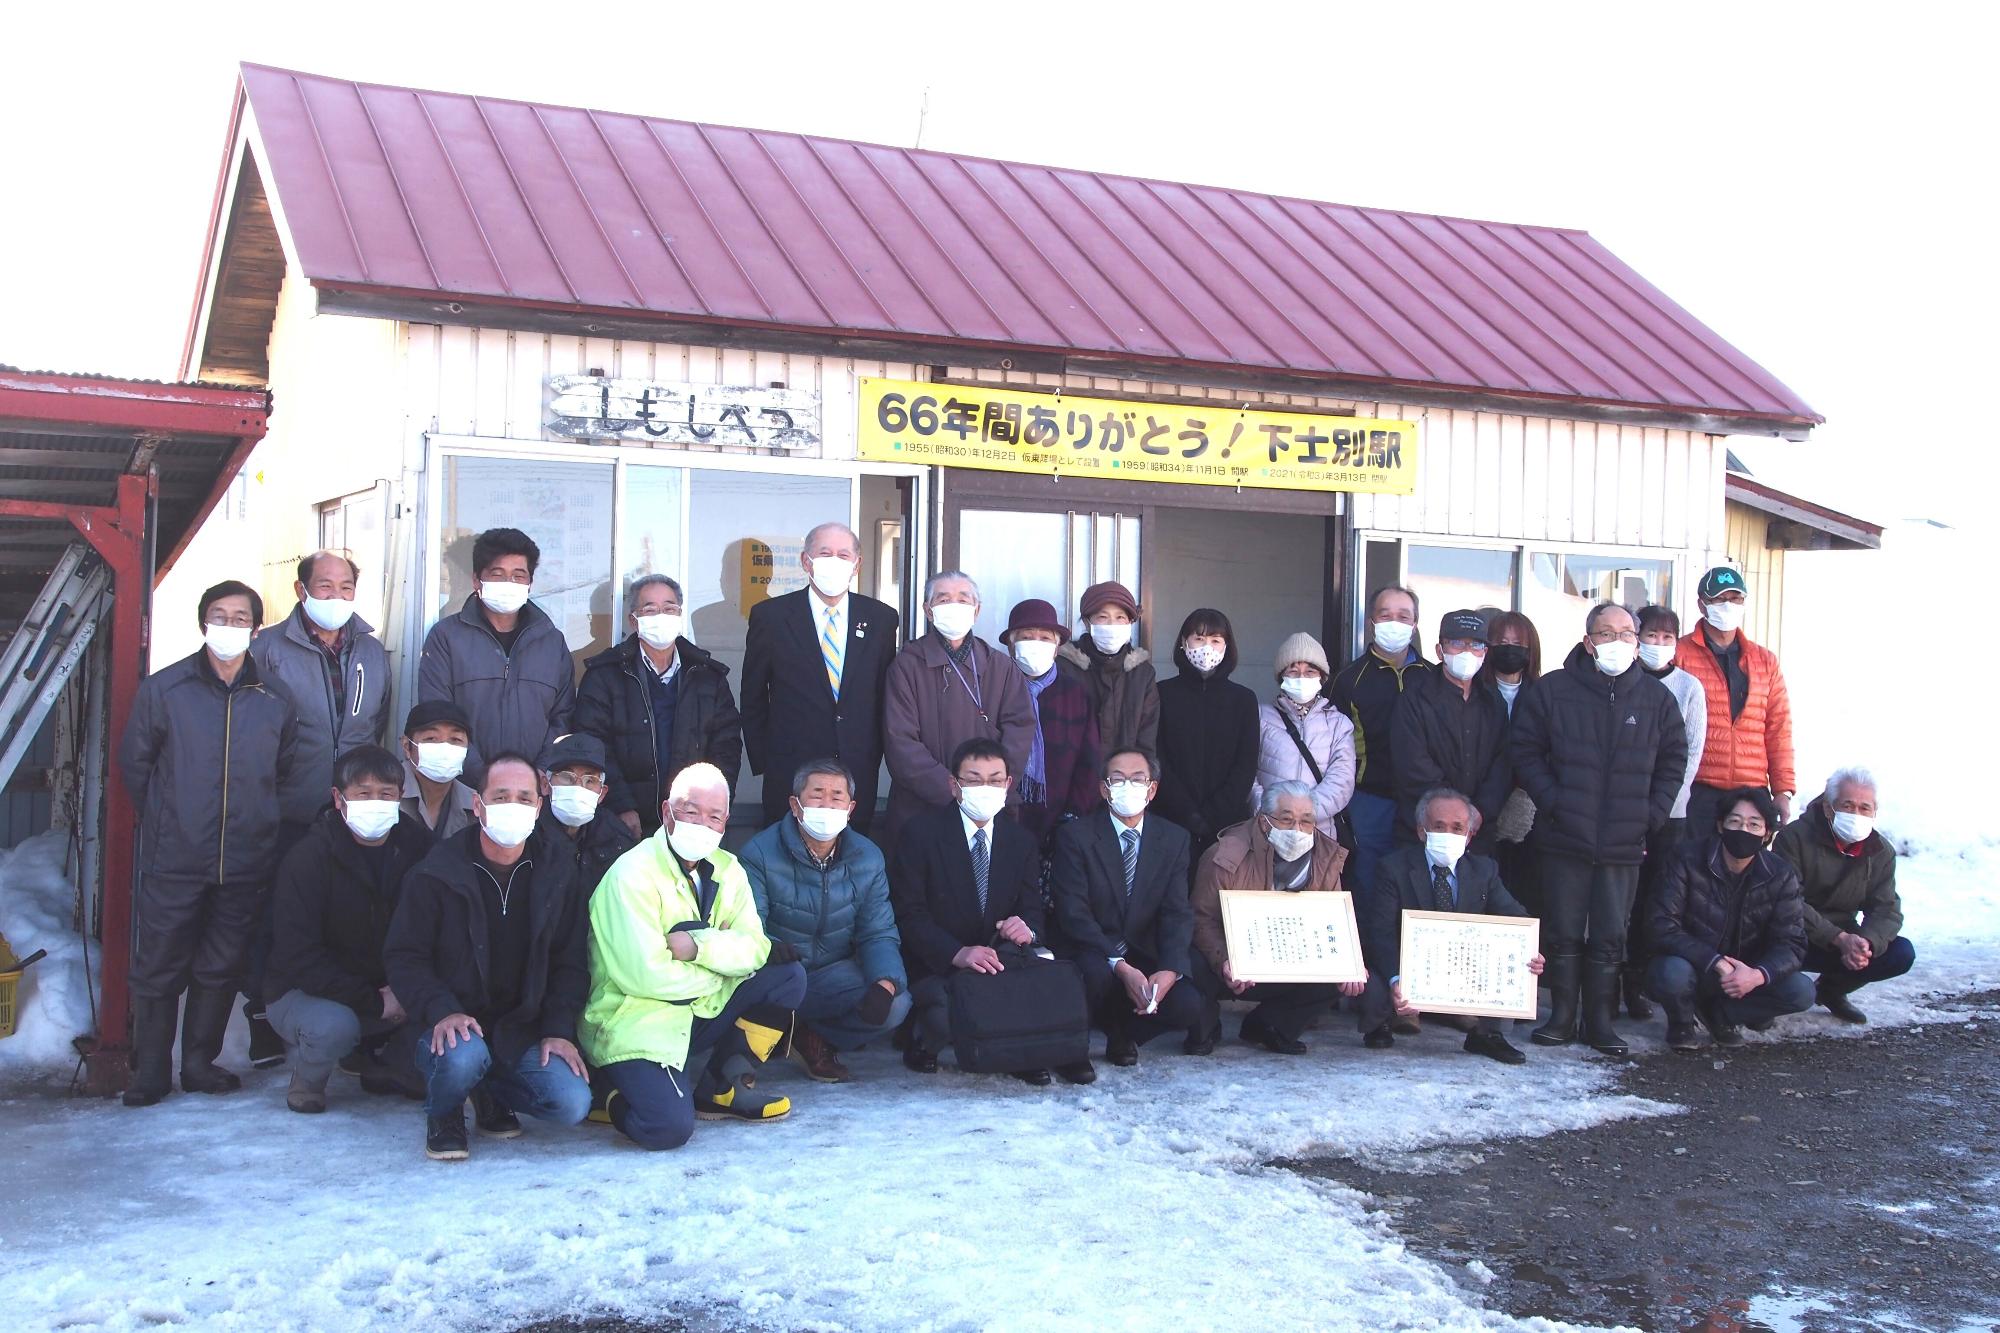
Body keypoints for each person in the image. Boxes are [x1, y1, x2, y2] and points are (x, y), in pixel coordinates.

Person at [117, 580, 299, 1107]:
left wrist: (257, 820)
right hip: (175, 856)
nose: (229, 625)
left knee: (220, 963)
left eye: (240, 617)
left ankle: (199, 1063)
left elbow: (282, 771)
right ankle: (150, 1071)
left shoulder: (275, 698)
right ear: (203, 623)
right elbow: (136, 764)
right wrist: (168, 821)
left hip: (244, 858)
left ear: (256, 629)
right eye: (219, 615)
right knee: (158, 965)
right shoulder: (166, 689)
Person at [581, 763, 808, 1149]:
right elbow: (646, 976)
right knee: (667, 1129)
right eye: (691, 812)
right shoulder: (631, 874)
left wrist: (698, 947)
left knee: (787, 976)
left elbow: (756, 947)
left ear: (725, 823)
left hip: (696, 1006)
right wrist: (722, 970)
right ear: (667, 812)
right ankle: (609, 1093)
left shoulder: (728, 869)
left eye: (714, 816)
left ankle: (722, 1084)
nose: (703, 824)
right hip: (636, 1020)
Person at [383, 752, 593, 1161]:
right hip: (450, 1023)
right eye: (500, 797)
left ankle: (489, 1090)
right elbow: (405, 956)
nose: (512, 807)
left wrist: (558, 1029)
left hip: (519, 1029)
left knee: (571, 1103)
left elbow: (571, 960)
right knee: (463, 1058)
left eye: (523, 798)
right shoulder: (438, 871)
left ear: (539, 805)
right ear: (478, 805)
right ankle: (444, 1112)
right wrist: (442, 1010)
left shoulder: (558, 871)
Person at [1509, 602, 1688, 1056]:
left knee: (1611, 934)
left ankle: (1601, 1022)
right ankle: (1563, 1016)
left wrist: (1652, 815)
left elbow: (1673, 761)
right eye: (1606, 634)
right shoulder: (1553, 691)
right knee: (1563, 931)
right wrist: (1553, 801)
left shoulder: (1656, 699)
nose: (1618, 642)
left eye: (1627, 634)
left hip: (1625, 840)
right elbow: (1526, 750)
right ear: (1589, 642)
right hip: (1564, 833)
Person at [244, 551, 394, 1065]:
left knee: (344, 913)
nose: (336, 596)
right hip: (285, 803)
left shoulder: (372, 654)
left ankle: (348, 1016)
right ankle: (262, 1013)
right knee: (273, 913)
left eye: (346, 586)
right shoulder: (266, 649)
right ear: (301, 589)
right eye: (324, 586)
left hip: (348, 810)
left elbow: (375, 726)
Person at [265, 745, 432, 1114]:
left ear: (400, 796)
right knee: (334, 1027)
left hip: (392, 986)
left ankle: (385, 1066)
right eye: (363, 794)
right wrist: (375, 1001)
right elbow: (299, 957)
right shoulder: (308, 858)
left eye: (386, 794)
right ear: (339, 799)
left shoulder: (418, 847)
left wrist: (406, 989)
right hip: (304, 990)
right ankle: (307, 1083)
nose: (376, 802)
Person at [890, 739, 1056, 1083]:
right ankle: (926, 1040)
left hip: (998, 962)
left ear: (1008, 785)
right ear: (954, 785)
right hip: (939, 964)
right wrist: (957, 953)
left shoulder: (1020, 840)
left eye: (995, 780)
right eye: (974, 779)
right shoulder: (921, 834)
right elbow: (909, 913)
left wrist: (1026, 929)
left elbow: (1032, 910)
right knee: (944, 1015)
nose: (986, 788)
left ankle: (1017, 1051)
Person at [1049, 749, 1216, 1080]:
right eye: (1118, 779)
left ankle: (1124, 1035)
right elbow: (1074, 912)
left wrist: (1170, 970)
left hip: (1143, 948)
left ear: (1152, 789)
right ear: (1103, 789)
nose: (1128, 786)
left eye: (1137, 779)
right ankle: (1072, 1050)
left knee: (1186, 1002)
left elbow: (1176, 911)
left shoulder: (1173, 838)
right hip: (1094, 949)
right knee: (1093, 972)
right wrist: (1120, 966)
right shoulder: (1076, 836)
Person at [739, 759, 911, 1082]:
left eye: (837, 796)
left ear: (851, 807)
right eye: (817, 794)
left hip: (832, 975)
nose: (827, 803)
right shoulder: (759, 853)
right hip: (779, 974)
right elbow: (749, 926)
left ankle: (810, 1037)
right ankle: (757, 1045)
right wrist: (770, 950)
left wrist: (885, 983)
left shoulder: (868, 857)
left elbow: (879, 932)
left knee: (897, 1003)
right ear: (795, 804)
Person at [1358, 788, 1544, 1064]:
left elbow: (1517, 918)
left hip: (1461, 965)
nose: (1449, 834)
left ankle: (1488, 1035)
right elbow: (1380, 932)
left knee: (1517, 959)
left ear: (1469, 835)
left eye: (1457, 828)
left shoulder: (1484, 870)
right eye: (1439, 827)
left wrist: (1531, 950)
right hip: (1409, 966)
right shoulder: (1393, 868)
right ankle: (1380, 1023)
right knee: (1373, 979)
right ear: (1422, 831)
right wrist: (1396, 978)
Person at [742, 521, 900, 833]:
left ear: (857, 565)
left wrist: (878, 757)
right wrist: (765, 762)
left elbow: (884, 696)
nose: (834, 561)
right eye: (825, 553)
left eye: (843, 554)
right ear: (806, 561)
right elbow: (753, 696)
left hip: (855, 772)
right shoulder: (771, 617)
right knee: (785, 860)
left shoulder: (881, 619)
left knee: (851, 861)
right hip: (790, 771)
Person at [1190, 781, 1356, 1054]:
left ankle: (1272, 1025)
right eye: (1286, 819)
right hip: (1231, 961)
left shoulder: (1327, 857)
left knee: (1339, 972)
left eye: (1306, 821)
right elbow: (1200, 918)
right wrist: (1223, 960)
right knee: (1192, 960)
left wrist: (1349, 965)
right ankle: (1206, 1025)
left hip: (1288, 959)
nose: (1297, 830)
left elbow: (1334, 918)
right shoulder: (1226, 854)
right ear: (1264, 821)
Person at [575, 573, 742, 838]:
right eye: (650, 609)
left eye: (669, 608)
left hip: (691, 821)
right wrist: (620, 805)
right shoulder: (604, 675)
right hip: (624, 822)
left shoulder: (707, 677)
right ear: (634, 620)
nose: (660, 616)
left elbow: (726, 747)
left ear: (679, 616)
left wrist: (708, 807)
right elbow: (592, 744)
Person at [881, 572, 1036, 855]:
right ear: (928, 611)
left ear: (976, 611)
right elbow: (900, 742)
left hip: (987, 807)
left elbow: (1020, 729)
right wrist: (954, 790)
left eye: (963, 599)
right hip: (921, 808)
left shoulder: (1001, 667)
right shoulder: (906, 666)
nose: (954, 605)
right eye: (943, 599)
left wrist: (986, 787)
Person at [1646, 788, 1813, 1048]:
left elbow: (1791, 943)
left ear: (1767, 834)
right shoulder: (1686, 858)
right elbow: (1661, 924)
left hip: (1745, 973)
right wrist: (1715, 961)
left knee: (1801, 991)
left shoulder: (1780, 874)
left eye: (1753, 824)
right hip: (1695, 964)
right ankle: (1681, 1020)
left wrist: (1758, 975)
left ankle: (1721, 1016)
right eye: (1734, 821)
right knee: (1670, 973)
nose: (1743, 830)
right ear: (1720, 826)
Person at [417, 527, 575, 780]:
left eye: (518, 575)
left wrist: (537, 774)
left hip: (532, 793)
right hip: (465, 789)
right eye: (497, 574)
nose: (509, 583)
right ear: (477, 580)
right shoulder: (446, 637)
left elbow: (563, 717)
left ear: (530, 583)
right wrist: (482, 777)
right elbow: (437, 714)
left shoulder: (552, 643)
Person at [1773, 766, 1914, 1025]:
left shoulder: (1881, 851)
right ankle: (1766, 1000)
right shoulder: (1793, 838)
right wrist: (1838, 939)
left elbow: (1887, 909)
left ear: (1874, 813)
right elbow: (1788, 901)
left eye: (1864, 808)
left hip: (1845, 936)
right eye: (1847, 806)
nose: (1856, 814)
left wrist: (1866, 942)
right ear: (1829, 808)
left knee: (1901, 953)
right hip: (1791, 935)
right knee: (1777, 965)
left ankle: (1831, 991)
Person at [1623, 606, 1709, 1019]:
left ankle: (1643, 977)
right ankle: (1616, 977)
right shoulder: (1624, 682)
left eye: (1666, 637)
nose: (1657, 645)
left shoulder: (1689, 687)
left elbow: (1691, 753)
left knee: (1659, 898)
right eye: (1650, 636)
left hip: (1671, 814)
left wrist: (1663, 803)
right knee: (1624, 897)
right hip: (1625, 808)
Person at [1329, 586, 1434, 898]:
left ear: (1415, 624)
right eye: (1385, 614)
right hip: (1368, 800)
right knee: (1368, 882)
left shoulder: (1432, 676)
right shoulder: (1348, 678)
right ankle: (1369, 947)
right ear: (1371, 621)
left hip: (1422, 800)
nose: (1394, 622)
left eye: (1404, 616)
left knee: (1418, 885)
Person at [1676, 565, 1795, 831]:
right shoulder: (1680, 654)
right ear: (1702, 604)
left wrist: (1782, 790)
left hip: (1751, 792)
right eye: (1718, 599)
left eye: (1735, 599)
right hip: (1696, 789)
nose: (1727, 605)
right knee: (1693, 867)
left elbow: (1778, 728)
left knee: (1746, 869)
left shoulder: (1765, 661)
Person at [1392, 611, 1510, 852]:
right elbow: (1413, 764)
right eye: (1456, 644)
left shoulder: (1493, 700)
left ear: (1485, 653)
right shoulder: (1415, 698)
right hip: (1426, 831)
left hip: (1479, 832)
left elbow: (1504, 762)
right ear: (1439, 650)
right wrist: (1455, 813)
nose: (1467, 652)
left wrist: (1479, 812)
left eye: (1476, 645)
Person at [1153, 608, 1261, 858]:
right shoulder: (1161, 694)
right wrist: (1186, 811)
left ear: (1227, 647)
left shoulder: (1243, 699)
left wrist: (1214, 814)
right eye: (1198, 639)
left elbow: (1245, 765)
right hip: (1170, 819)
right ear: (1183, 642)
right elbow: (1157, 757)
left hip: (1228, 825)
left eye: (1215, 640)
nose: (1207, 647)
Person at [999, 598, 1102, 844]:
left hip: (1061, 818)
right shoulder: (997, 688)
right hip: (1002, 816)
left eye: (1045, 638)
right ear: (1012, 646)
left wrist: (1073, 813)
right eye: (1026, 637)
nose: (1036, 644)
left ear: (1056, 647)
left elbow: (1090, 760)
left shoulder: (1075, 692)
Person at [1250, 631, 1356, 841]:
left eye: (1310, 672)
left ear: (1322, 677)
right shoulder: (1259, 717)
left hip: (1320, 833)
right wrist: (1271, 811)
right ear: (1282, 676)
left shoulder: (1338, 724)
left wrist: (1304, 814)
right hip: (1268, 829)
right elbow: (1246, 772)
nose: (1301, 677)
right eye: (1293, 671)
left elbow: (1342, 780)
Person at [1477, 611, 1543, 911]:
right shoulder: (1475, 690)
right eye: (1501, 642)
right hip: (1479, 804)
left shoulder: (1543, 694)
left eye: (1518, 643)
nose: (1510, 648)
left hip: (1528, 805)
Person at [1057, 580, 1160, 759]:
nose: (1112, 624)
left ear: (1130, 622)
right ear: (1088, 623)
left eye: (1120, 617)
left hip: (1125, 779)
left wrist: (1137, 776)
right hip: (1076, 776)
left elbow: (1147, 737)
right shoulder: (1065, 666)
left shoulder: (1142, 673)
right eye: (1103, 617)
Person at [536, 732, 638, 897]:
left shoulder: (617, 840)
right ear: (545, 785)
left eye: (589, 780)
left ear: (602, 793)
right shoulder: (527, 836)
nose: (578, 787)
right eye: (566, 777)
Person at [399, 700, 481, 840]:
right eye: (431, 738)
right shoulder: (383, 795)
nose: (444, 748)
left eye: (455, 739)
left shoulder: (476, 805)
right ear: (407, 746)